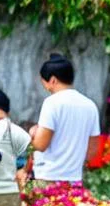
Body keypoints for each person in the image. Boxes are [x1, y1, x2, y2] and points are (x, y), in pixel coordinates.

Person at [29, 53, 100, 186]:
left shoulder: (51, 103)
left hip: (47, 178)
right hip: (74, 179)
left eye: (43, 82)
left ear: (53, 80)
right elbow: (93, 149)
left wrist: (33, 133)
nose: (45, 86)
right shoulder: (90, 105)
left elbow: (40, 145)